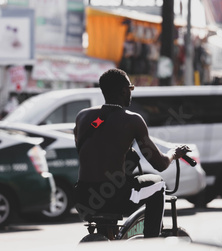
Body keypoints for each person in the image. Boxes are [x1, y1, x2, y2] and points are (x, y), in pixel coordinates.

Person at [74, 68, 190, 238]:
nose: (131, 92)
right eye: (131, 88)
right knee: (158, 185)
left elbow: (86, 149)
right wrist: (174, 153)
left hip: (83, 198)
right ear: (123, 90)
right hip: (115, 198)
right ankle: (151, 242)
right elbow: (160, 164)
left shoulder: (84, 117)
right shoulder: (132, 120)